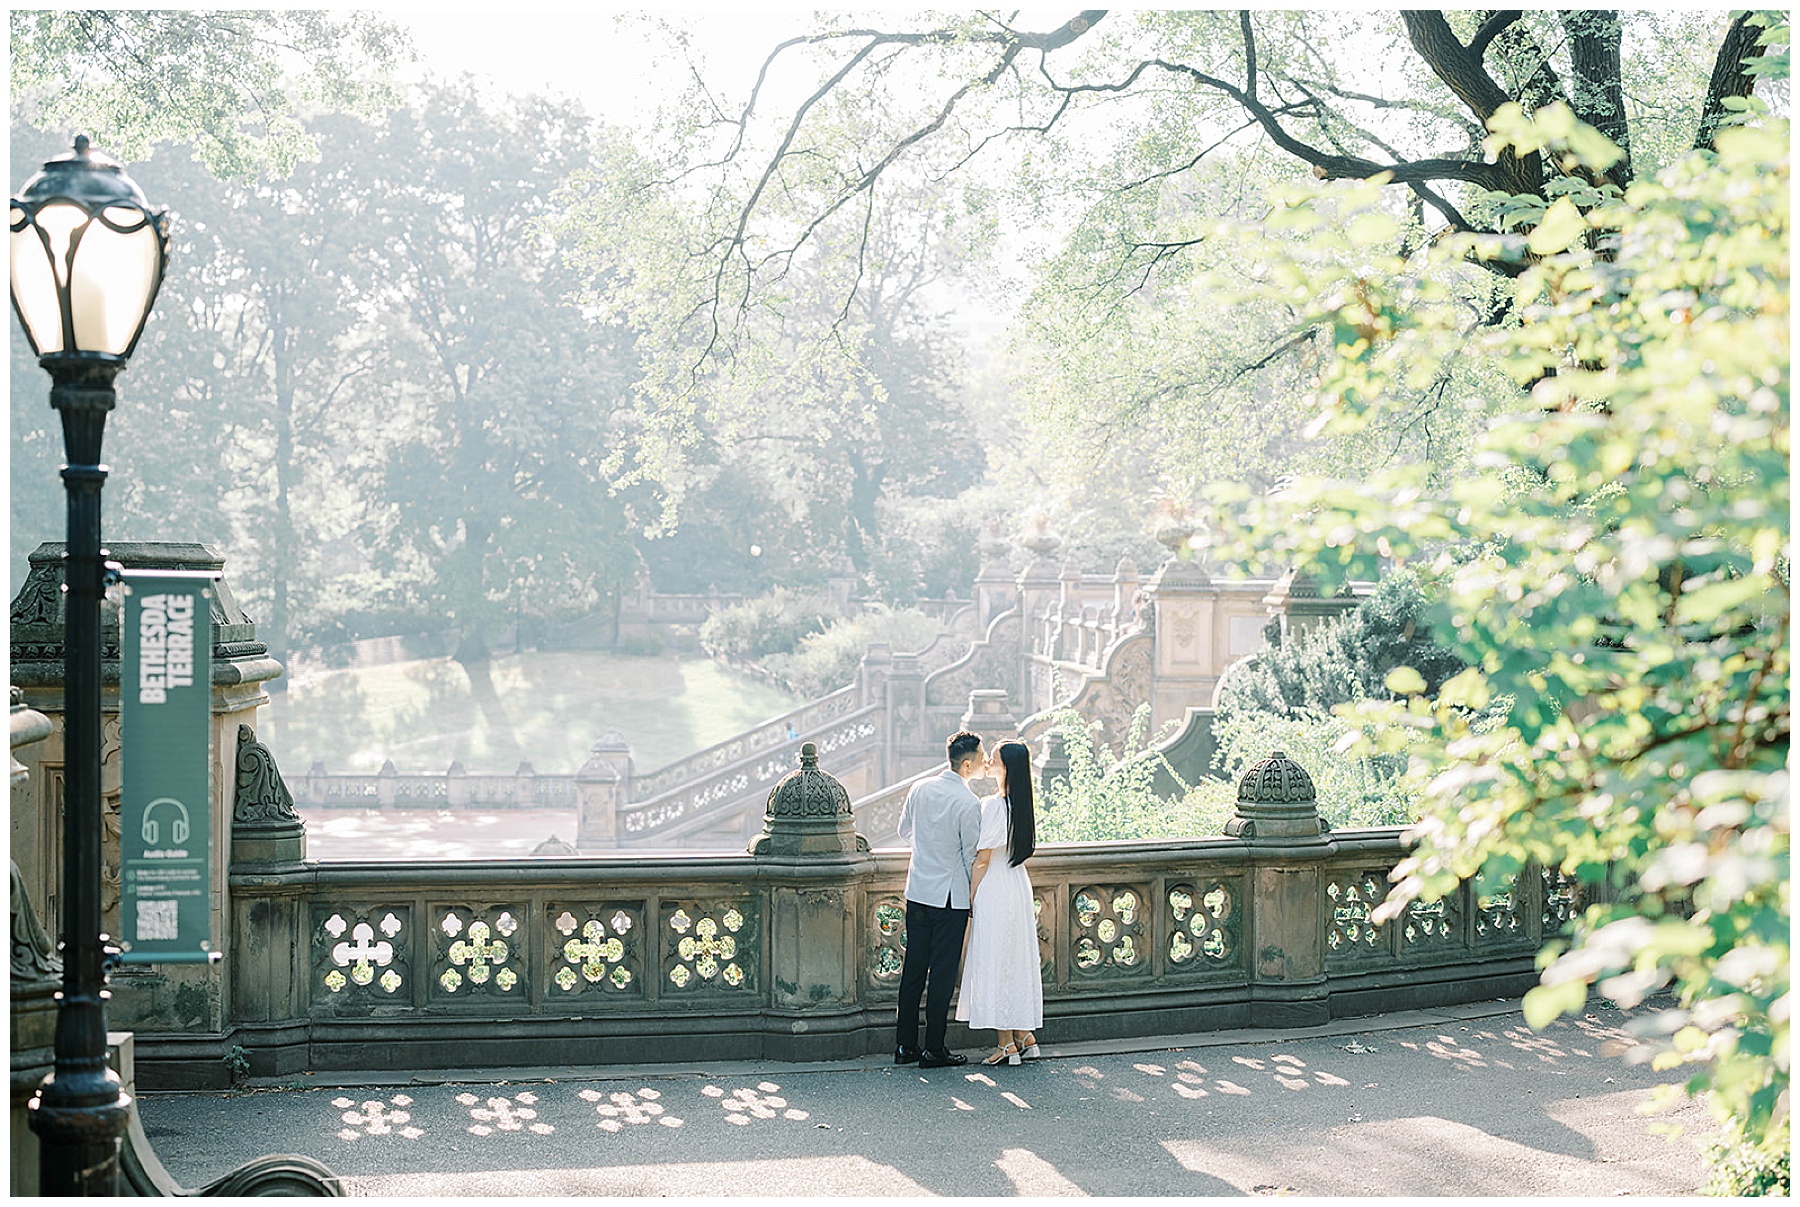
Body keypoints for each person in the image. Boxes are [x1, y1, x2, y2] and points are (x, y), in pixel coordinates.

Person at [894, 730, 984, 1069]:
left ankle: (904, 1047)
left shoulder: (920, 788)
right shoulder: (967, 802)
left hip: (918, 891)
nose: (983, 762)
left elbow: (905, 832)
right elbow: (969, 856)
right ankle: (934, 1048)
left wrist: (928, 849)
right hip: (950, 899)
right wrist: (973, 897)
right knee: (942, 976)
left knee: (913, 971)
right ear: (966, 763)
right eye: (980, 757)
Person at [956, 739, 1043, 1066]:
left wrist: (971, 897)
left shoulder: (994, 805)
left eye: (994, 759)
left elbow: (982, 860)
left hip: (995, 885)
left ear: (1006, 769)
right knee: (1016, 958)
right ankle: (1024, 1034)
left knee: (994, 960)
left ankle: (1005, 1043)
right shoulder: (1023, 805)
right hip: (1017, 885)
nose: (988, 763)